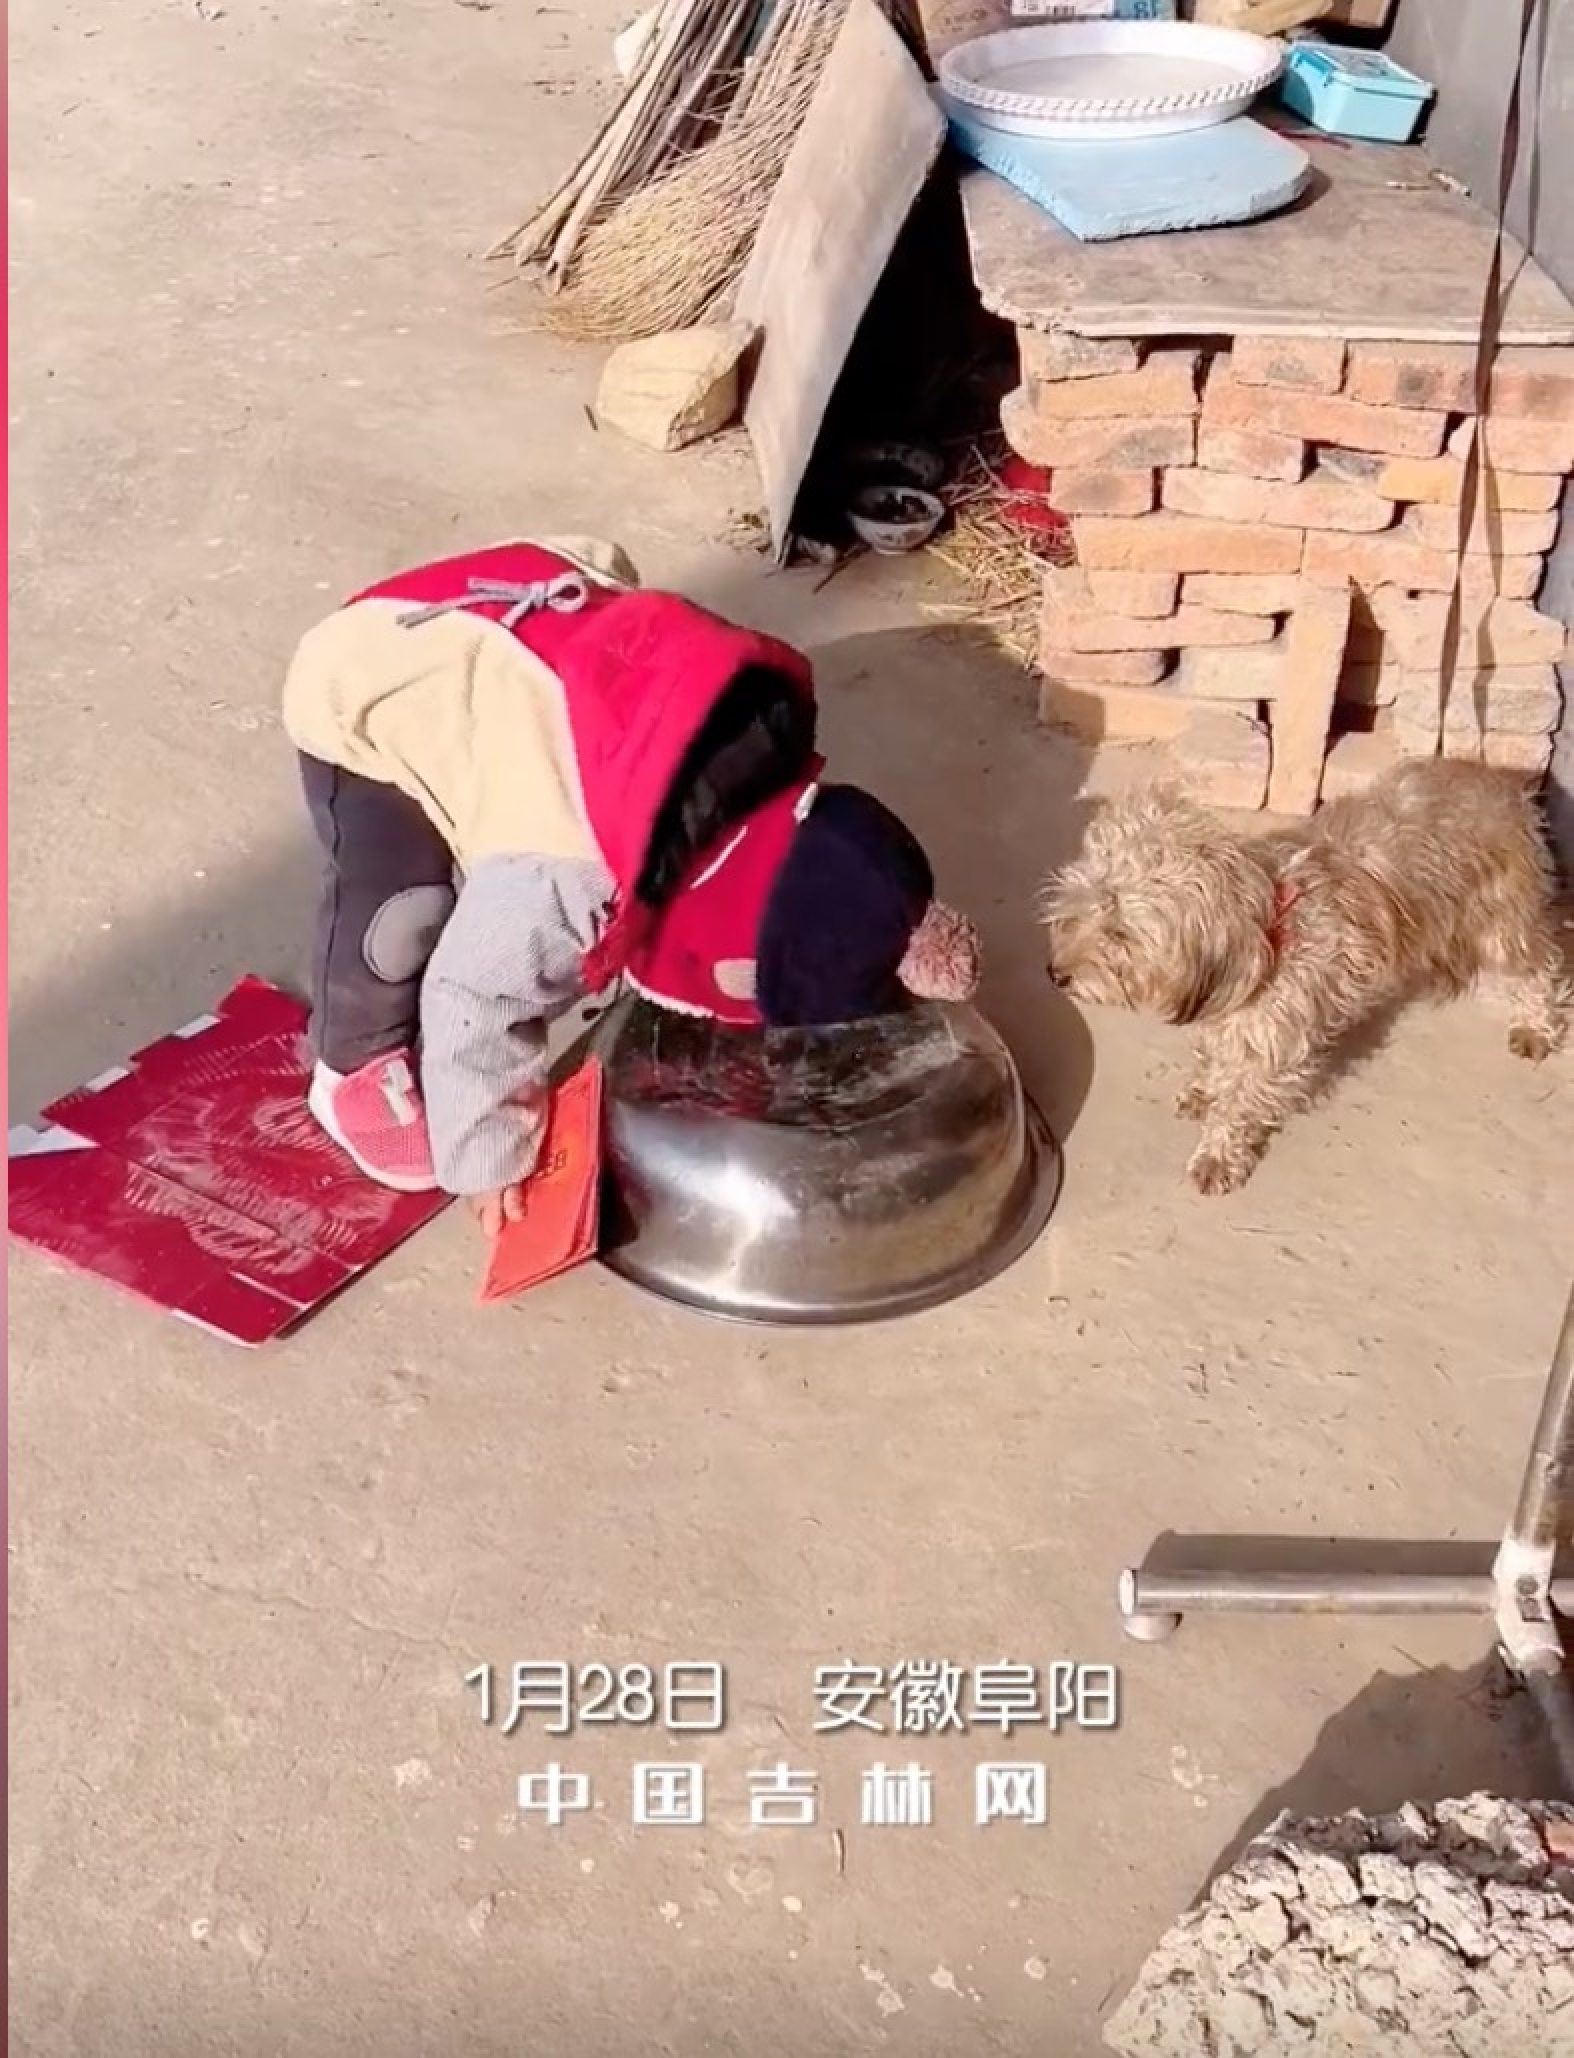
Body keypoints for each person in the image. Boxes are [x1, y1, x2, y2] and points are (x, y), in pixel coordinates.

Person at [282, 536, 981, 1232]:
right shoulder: (565, 884)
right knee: (404, 919)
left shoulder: (757, 766)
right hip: (380, 669)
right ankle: (350, 1068)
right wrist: (492, 1158)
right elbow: (472, 995)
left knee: (499, 878)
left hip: (539, 604)